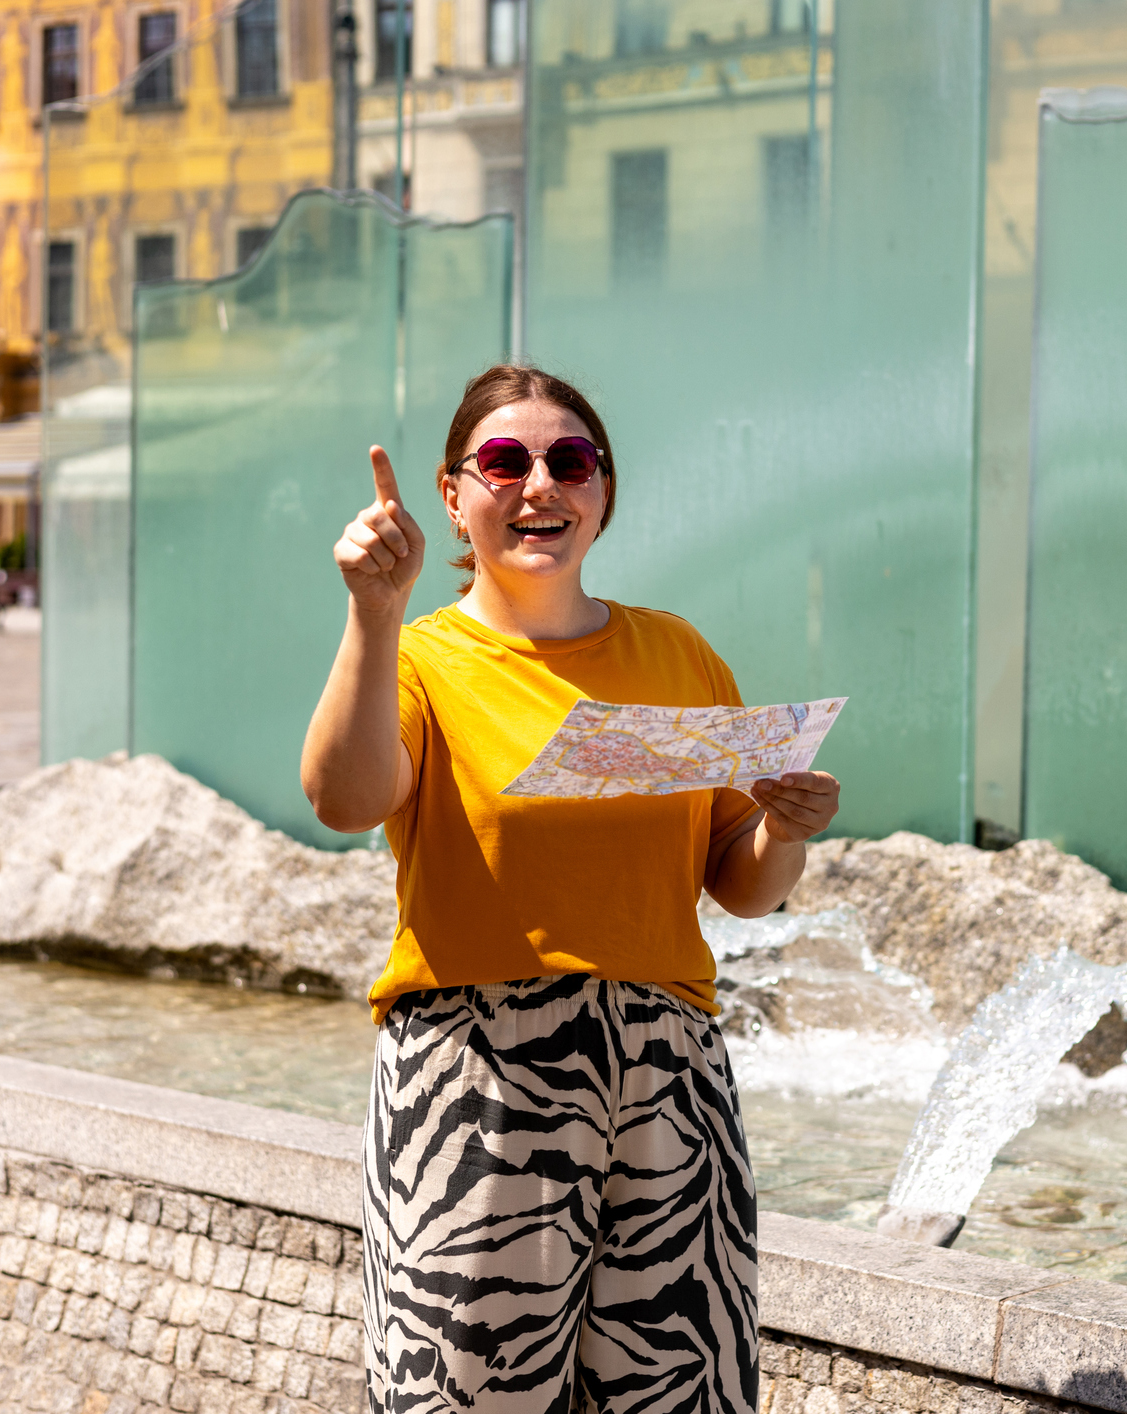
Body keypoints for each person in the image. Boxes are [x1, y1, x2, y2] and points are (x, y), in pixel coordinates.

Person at [300, 364, 840, 1413]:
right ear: (454, 494)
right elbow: (342, 796)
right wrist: (374, 610)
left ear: (603, 489)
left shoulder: (677, 652)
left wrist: (785, 828)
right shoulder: (418, 658)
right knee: (464, 1397)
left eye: (571, 459)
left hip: (672, 1072)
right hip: (480, 1075)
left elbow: (740, 884)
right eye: (504, 460)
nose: (540, 482)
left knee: (682, 1395)